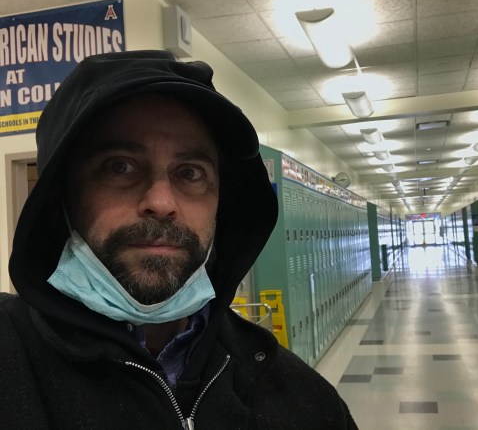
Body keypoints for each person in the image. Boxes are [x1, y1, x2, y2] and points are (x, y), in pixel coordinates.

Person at [0, 50, 358, 429]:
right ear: (59, 198)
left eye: (190, 173)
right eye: (120, 167)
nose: (161, 202)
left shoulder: (302, 401)